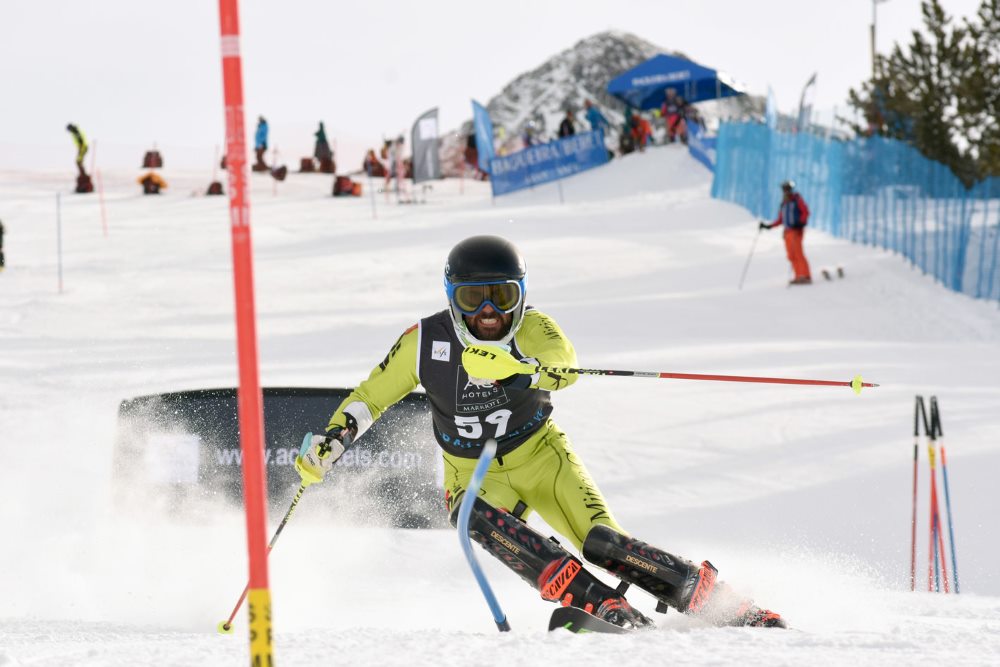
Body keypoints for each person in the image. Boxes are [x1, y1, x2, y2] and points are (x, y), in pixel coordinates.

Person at [296, 235, 787, 631]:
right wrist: (333, 440)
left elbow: (565, 367)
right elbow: (371, 396)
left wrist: (521, 368)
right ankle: (598, 605)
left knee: (605, 544)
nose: (489, 312)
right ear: (452, 299)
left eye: (503, 295)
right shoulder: (425, 341)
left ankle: (721, 603)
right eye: (473, 298)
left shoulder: (534, 328)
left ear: (521, 295)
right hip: (473, 473)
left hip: (543, 458)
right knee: (472, 516)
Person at [760, 180, 812, 284]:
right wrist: (769, 226)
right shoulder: (784, 203)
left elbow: (805, 212)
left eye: (787, 189)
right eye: (784, 189)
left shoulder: (796, 200)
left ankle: (805, 275)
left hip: (796, 230)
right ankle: (798, 276)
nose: (786, 191)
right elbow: (780, 219)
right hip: (787, 232)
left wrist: (801, 223)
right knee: (791, 255)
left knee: (798, 253)